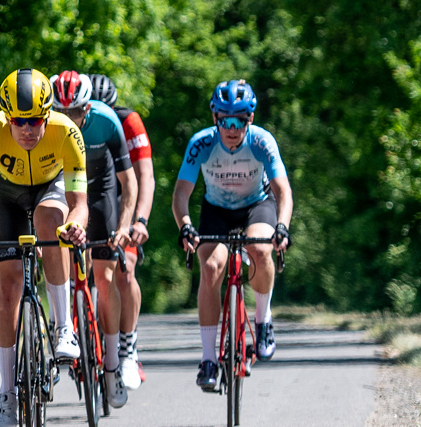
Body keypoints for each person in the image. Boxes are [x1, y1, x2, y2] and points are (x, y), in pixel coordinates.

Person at [0, 69, 88, 427]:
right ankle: (7, 392)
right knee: (8, 288)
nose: (28, 130)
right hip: (6, 196)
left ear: (48, 116)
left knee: (53, 221)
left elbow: (79, 202)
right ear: (7, 117)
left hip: (51, 189)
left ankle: (64, 327)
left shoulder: (67, 131)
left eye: (36, 121)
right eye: (20, 122)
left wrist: (76, 224)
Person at [172, 78, 294, 390]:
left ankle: (263, 321)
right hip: (217, 210)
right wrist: (185, 225)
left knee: (261, 250)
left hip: (257, 205)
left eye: (239, 121)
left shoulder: (262, 141)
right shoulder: (201, 143)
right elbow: (181, 194)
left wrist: (282, 227)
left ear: (249, 119)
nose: (232, 128)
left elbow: (283, 192)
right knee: (211, 268)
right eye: (225, 120)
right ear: (215, 119)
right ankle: (209, 358)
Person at [51, 71, 137, 408]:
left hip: (99, 190)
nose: (69, 119)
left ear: (88, 109)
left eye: (75, 113)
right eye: (61, 112)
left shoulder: (106, 121)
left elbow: (128, 183)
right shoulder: (46, 125)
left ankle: (113, 365)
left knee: (104, 275)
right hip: (61, 187)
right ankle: (65, 332)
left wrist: (125, 226)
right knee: (62, 264)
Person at [89, 73, 154, 392]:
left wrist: (139, 221)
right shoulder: (77, 119)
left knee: (124, 274)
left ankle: (128, 349)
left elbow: (145, 177)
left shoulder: (129, 121)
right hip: (88, 195)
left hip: (122, 199)